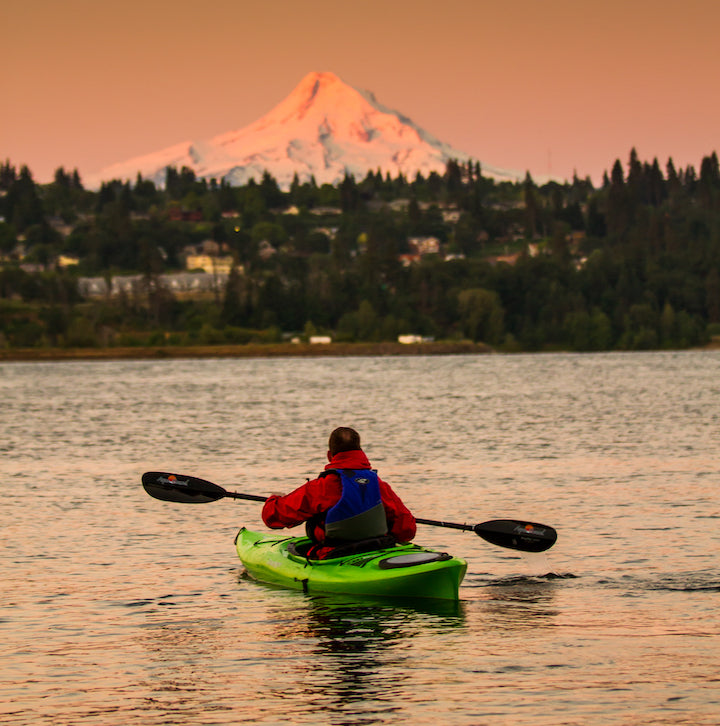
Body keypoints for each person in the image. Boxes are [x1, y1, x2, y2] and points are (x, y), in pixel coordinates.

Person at [262, 427, 416, 558]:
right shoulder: (380, 485)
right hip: (377, 549)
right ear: (360, 452)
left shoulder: (321, 487)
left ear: (330, 455)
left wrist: (275, 499)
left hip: (333, 554)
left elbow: (273, 517)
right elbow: (407, 530)